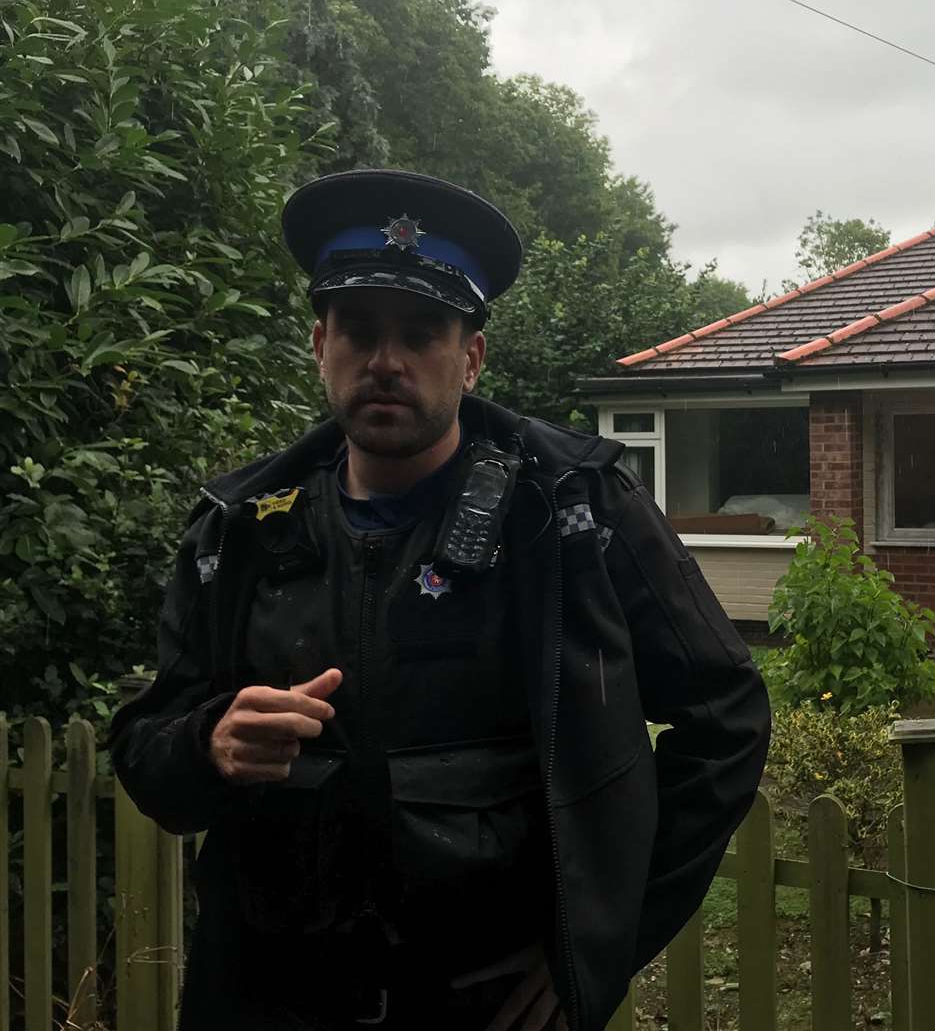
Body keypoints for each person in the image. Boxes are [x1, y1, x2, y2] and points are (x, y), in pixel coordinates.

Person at [109, 169, 771, 1031]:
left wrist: (598, 941)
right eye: (359, 330)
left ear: (471, 356)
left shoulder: (571, 511)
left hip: (487, 1006)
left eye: (422, 333)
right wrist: (211, 740)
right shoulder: (240, 530)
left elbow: (725, 719)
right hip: (264, 998)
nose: (386, 361)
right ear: (319, 343)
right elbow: (149, 754)